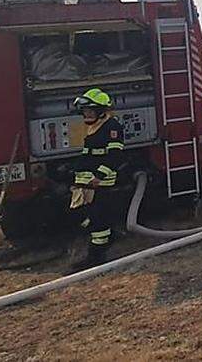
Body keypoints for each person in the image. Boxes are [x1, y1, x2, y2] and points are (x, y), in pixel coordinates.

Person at [70, 88, 125, 270]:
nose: (87, 114)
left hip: (99, 183)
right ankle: (107, 239)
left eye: (90, 111)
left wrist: (99, 176)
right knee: (85, 215)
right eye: (85, 111)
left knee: (97, 219)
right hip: (85, 182)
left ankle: (97, 256)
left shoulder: (112, 128)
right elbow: (88, 154)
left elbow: (115, 156)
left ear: (101, 111)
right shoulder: (93, 127)